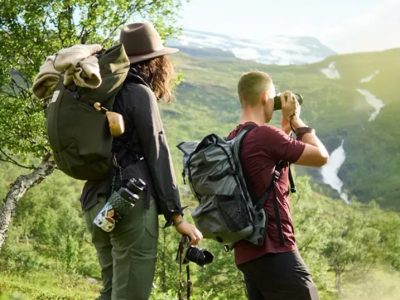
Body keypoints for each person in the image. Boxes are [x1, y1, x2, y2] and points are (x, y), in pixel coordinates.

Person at [80, 22, 203, 300]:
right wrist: (176, 216)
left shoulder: (96, 91)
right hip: (129, 204)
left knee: (111, 291)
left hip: (94, 201)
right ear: (156, 62)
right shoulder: (139, 93)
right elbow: (157, 153)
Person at [227, 71, 329, 300]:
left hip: (248, 256)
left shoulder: (233, 138)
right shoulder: (265, 135)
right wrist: (295, 121)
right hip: (276, 249)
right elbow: (321, 157)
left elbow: (267, 164)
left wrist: (284, 128)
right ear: (265, 97)